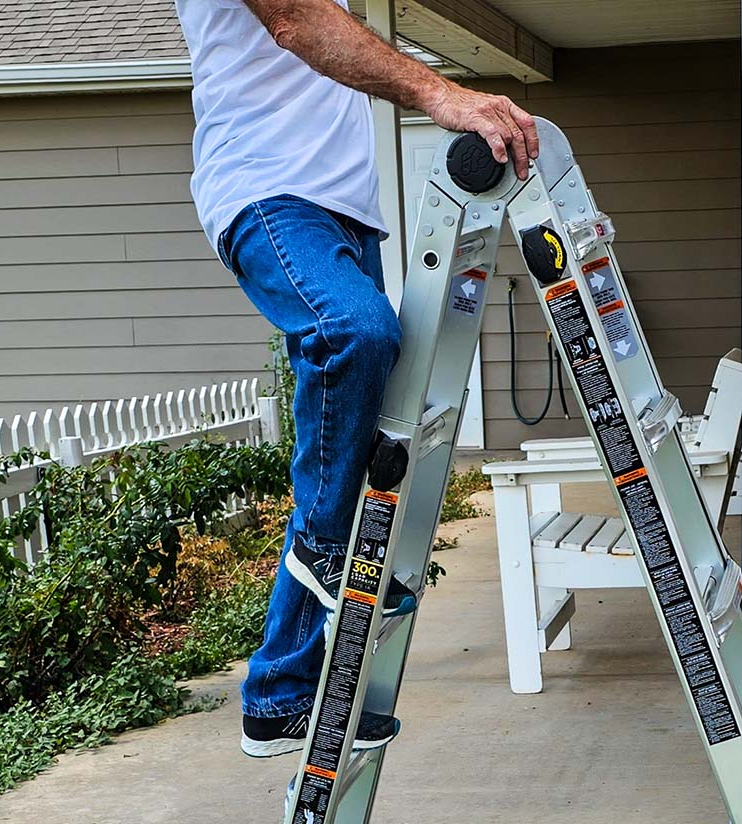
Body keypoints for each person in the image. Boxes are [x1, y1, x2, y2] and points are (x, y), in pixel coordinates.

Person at [173, 0, 539, 757]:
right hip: (268, 193)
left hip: (345, 211)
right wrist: (444, 94)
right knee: (354, 332)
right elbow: (294, 20)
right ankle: (320, 567)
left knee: (382, 430)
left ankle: (282, 697)